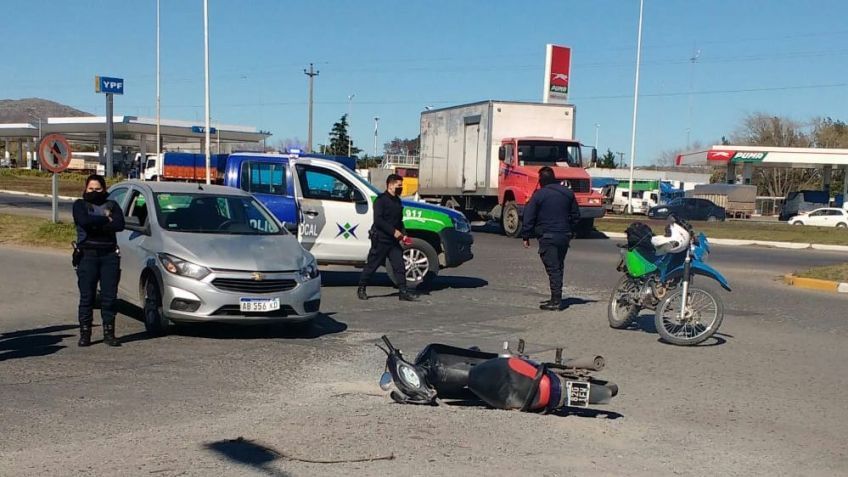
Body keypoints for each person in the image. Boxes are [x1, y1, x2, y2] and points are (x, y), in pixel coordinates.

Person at [73, 175, 125, 346]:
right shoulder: (80, 205)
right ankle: (85, 333)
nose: (94, 192)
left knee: (109, 297)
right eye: (91, 189)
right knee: (87, 297)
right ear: (85, 189)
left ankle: (109, 333)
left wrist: (99, 223)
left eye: (98, 189)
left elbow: (119, 224)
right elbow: (84, 221)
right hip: (87, 255)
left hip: (109, 256)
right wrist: (105, 219)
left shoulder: (112, 205)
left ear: (104, 189)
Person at [521, 166, 581, 311]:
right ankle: (556, 296)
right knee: (558, 266)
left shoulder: (539, 195)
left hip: (548, 236)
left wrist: (526, 235)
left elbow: (529, 216)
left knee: (553, 268)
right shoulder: (568, 193)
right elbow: (576, 216)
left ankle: (556, 301)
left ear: (541, 180)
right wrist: (570, 230)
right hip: (564, 236)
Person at [357, 174, 418, 302]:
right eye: (398, 185)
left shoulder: (397, 200)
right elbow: (378, 220)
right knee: (372, 265)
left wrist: (403, 233)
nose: (401, 188)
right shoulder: (381, 200)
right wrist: (393, 231)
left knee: (399, 266)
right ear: (390, 185)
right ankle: (361, 288)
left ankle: (403, 291)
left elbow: (399, 220)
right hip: (381, 239)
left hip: (393, 241)